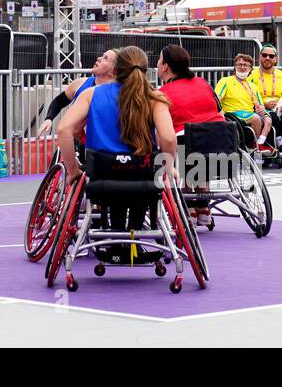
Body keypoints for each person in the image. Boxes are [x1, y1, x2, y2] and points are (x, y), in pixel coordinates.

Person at [57, 46, 177, 253]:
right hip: (143, 173)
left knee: (114, 189)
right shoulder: (155, 98)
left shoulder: (92, 94)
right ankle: (134, 241)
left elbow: (64, 129)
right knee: (143, 182)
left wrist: (72, 171)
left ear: (116, 70)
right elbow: (167, 137)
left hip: (103, 172)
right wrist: (169, 165)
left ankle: (116, 239)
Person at [155, 43, 224, 227]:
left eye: (159, 60)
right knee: (200, 147)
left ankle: (190, 206)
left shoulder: (162, 93)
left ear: (165, 66)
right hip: (222, 142)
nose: (157, 64)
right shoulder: (204, 83)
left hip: (188, 149)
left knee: (174, 147)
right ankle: (202, 205)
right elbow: (220, 112)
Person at [36, 48, 118, 137]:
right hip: (79, 144)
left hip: (103, 146)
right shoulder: (80, 83)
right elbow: (59, 101)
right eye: (102, 55)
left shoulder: (119, 93)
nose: (99, 58)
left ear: (114, 70)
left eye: (105, 58)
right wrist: (49, 118)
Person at [214, 53, 274, 156]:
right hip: (233, 113)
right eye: (239, 64)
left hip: (249, 113)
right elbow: (217, 99)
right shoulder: (226, 81)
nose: (242, 67)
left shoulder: (252, 86)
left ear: (250, 68)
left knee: (268, 119)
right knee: (255, 118)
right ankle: (253, 145)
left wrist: (262, 111)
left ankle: (261, 143)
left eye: (245, 65)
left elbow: (260, 105)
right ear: (235, 66)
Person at [252, 43, 282, 151]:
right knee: (273, 117)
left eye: (271, 56)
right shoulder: (251, 75)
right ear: (260, 57)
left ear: (275, 59)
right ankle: (279, 147)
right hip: (261, 109)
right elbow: (248, 97)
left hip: (279, 108)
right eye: (264, 55)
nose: (267, 58)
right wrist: (264, 104)